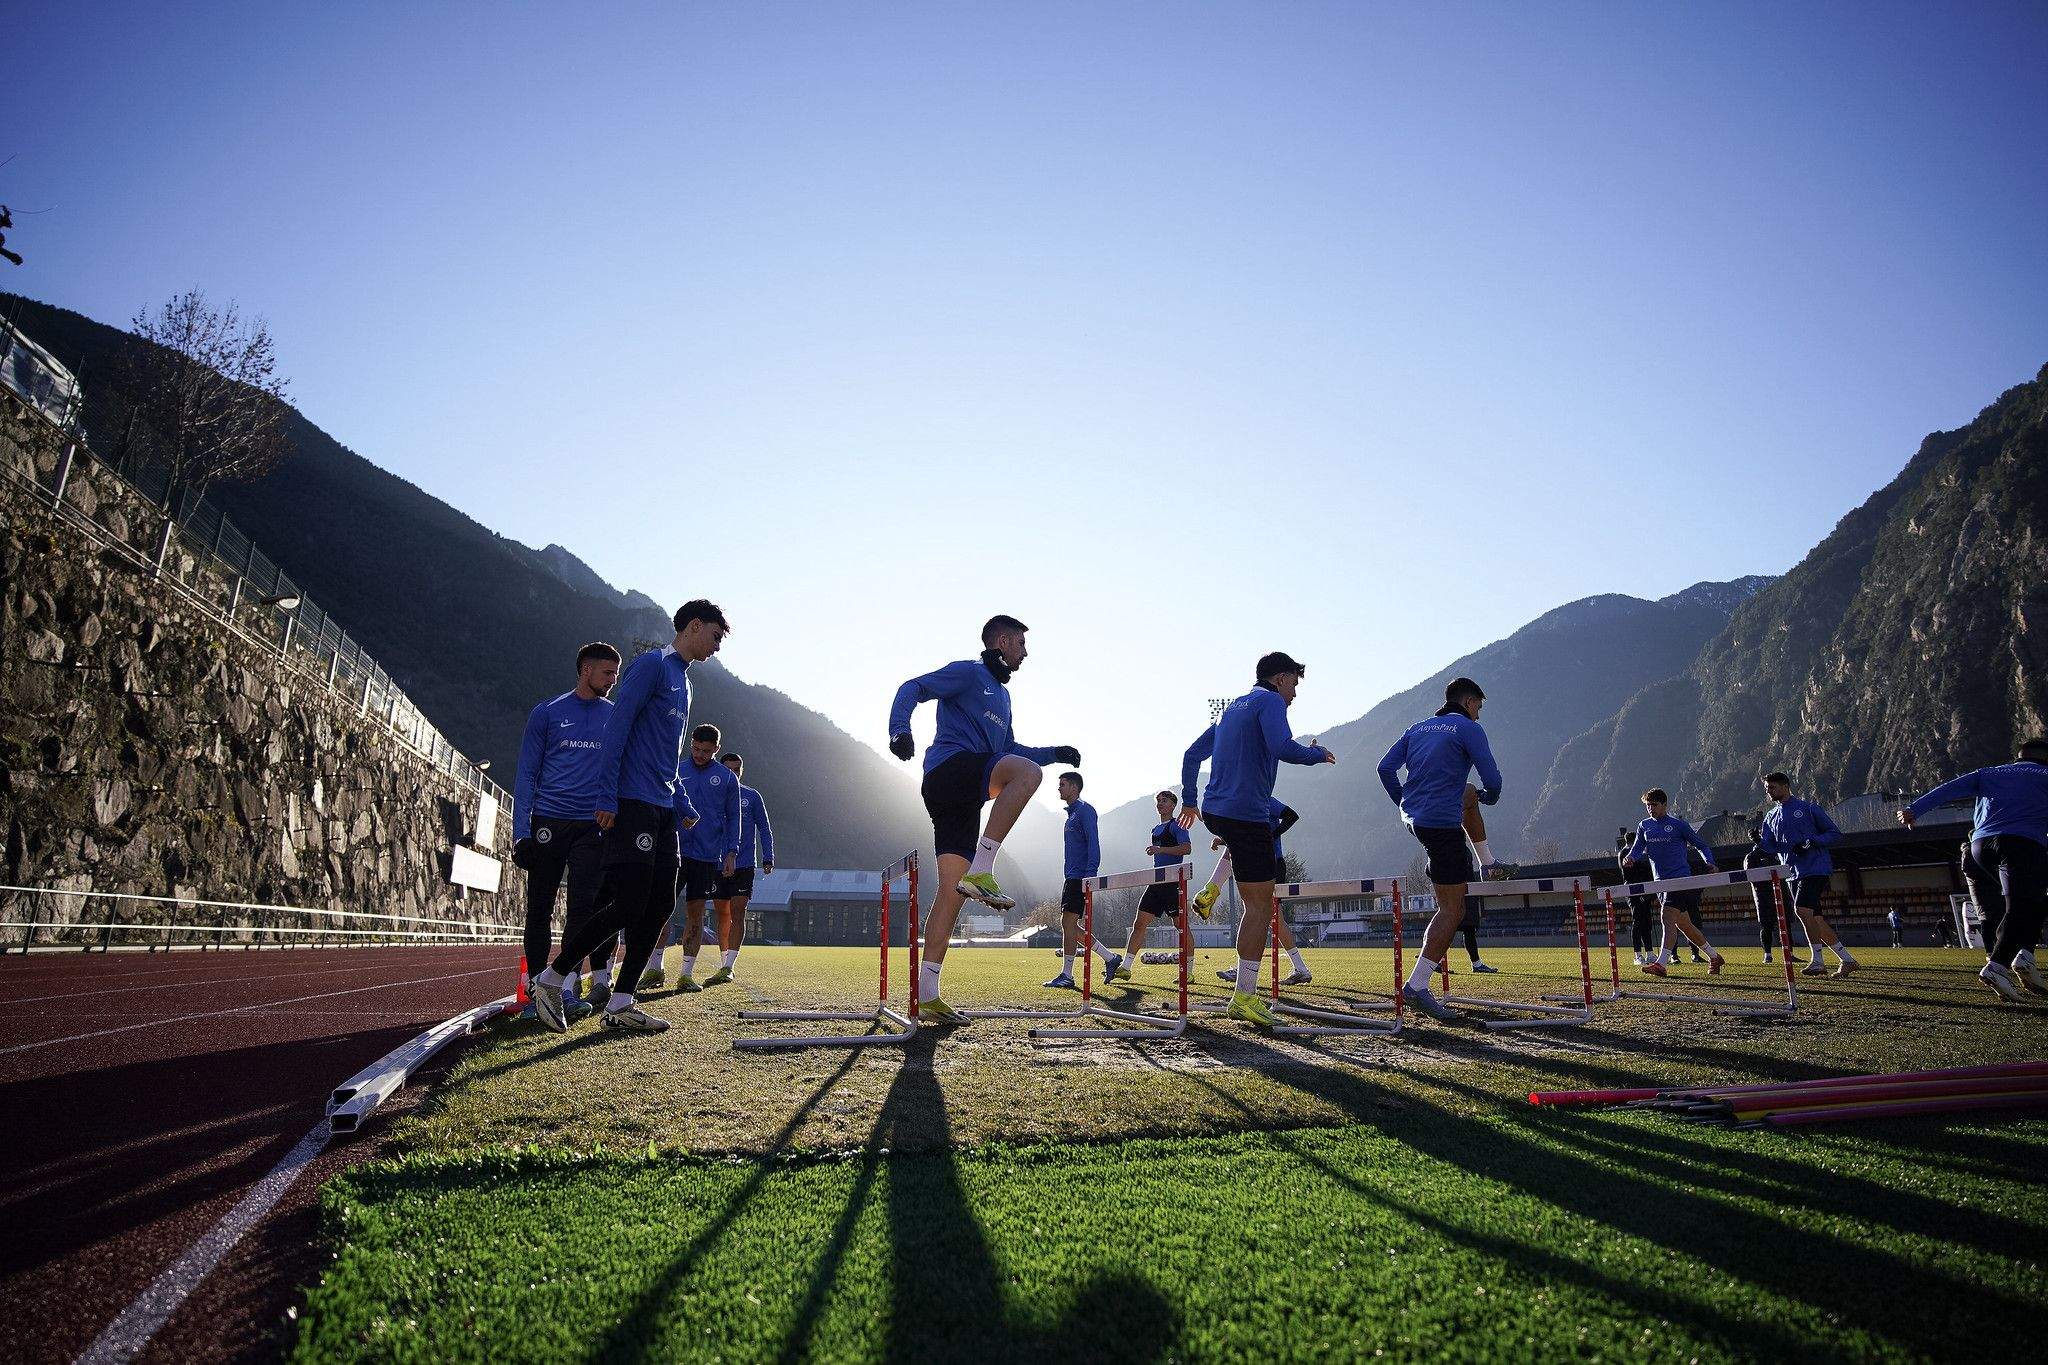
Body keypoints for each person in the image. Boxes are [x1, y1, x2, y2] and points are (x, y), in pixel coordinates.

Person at [529, 601, 729, 1034]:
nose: (717, 647)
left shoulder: (686, 684)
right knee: (630, 902)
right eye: (714, 636)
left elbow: (667, 755)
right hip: (631, 801)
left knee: (660, 904)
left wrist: (682, 805)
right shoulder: (652, 666)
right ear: (693, 626)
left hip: (662, 808)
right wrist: (607, 795)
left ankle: (622, 1001)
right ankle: (551, 978)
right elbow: (617, 726)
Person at [887, 616, 1081, 1023]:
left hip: (965, 793)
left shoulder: (1004, 699)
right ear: (1004, 641)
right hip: (949, 771)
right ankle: (984, 867)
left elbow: (1010, 748)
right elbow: (913, 687)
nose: (1026, 653)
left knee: (951, 893)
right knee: (1028, 775)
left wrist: (1056, 751)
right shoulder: (968, 673)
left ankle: (927, 994)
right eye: (1022, 645)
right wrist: (899, 730)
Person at [1179, 652, 1335, 1028]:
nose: (1295, 693)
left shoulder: (1232, 708)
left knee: (1255, 897)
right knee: (1261, 905)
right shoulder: (1269, 701)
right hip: (1245, 813)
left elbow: (1191, 754)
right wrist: (1317, 754)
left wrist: (1190, 800)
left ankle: (1213, 890)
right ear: (1280, 678)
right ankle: (1244, 996)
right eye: (1295, 684)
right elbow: (1283, 747)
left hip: (1217, 810)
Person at [1377, 677, 1501, 1019]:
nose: (1479, 715)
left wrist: (1402, 800)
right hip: (1441, 826)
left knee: (1467, 792)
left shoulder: (1418, 727)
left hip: (1416, 819)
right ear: (1470, 702)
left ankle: (1487, 861)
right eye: (1479, 708)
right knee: (1453, 910)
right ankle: (1417, 985)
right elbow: (1494, 781)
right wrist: (1492, 795)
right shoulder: (1467, 728)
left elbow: (1384, 768)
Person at [511, 642, 622, 1021]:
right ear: (586, 669)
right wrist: (520, 832)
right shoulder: (548, 713)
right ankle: (531, 994)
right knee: (539, 909)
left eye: (616, 673)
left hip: (594, 827)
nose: (613, 680)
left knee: (583, 911)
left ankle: (564, 989)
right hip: (548, 822)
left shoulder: (616, 716)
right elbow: (526, 774)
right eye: (607, 672)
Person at [1900, 740, 2048, 1001]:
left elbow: (1950, 789)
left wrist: (1915, 809)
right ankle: (1998, 966)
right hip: (2022, 844)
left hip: (1980, 847)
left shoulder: (1991, 772)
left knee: (2032, 901)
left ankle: (2025, 958)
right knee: (2021, 905)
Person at [646, 724, 743, 993]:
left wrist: (731, 852)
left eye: (707, 751)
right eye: (697, 749)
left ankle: (686, 974)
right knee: (660, 909)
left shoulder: (726, 778)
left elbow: (734, 818)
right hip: (671, 850)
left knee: (695, 913)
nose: (700, 755)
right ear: (691, 743)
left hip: (705, 855)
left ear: (716, 749)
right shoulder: (676, 769)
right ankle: (655, 968)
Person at [1757, 771, 1857, 979]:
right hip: (1792, 873)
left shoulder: (1808, 808)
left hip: (1814, 867)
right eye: (1767, 789)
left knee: (1801, 910)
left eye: (1772, 788)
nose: (1769, 792)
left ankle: (1818, 962)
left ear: (1785, 786)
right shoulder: (1770, 816)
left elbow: (1834, 833)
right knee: (1815, 919)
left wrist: (1811, 841)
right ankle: (1847, 960)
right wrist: (1759, 841)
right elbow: (1771, 847)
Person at [1210, 799, 1314, 986]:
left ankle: (1244, 970)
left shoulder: (1265, 800)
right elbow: (1247, 836)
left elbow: (1292, 816)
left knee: (1260, 914)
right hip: (1254, 863)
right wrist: (1224, 840)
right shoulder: (1242, 805)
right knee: (1270, 917)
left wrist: (1271, 836)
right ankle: (1300, 969)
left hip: (1271, 862)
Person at [1623, 788, 1726, 977]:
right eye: (1648, 805)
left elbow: (1701, 845)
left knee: (1667, 916)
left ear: (1664, 805)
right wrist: (1630, 858)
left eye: (1654, 805)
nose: (1650, 809)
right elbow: (1637, 849)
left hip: (1679, 880)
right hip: (1660, 883)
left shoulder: (1678, 825)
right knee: (1684, 925)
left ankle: (1661, 964)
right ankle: (1714, 956)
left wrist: (1710, 862)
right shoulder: (1644, 826)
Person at [1104, 791, 1191, 981]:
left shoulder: (1177, 825)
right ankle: (1126, 967)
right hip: (1156, 882)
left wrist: (1161, 849)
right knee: (1139, 923)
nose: (1160, 803)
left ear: (1173, 805)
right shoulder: (1154, 830)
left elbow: (1186, 848)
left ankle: (1189, 972)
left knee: (1180, 925)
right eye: (1158, 801)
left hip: (1173, 882)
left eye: (1164, 800)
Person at [708, 751, 773, 986]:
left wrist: (768, 857)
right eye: (728, 770)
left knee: (738, 911)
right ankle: (723, 959)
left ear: (741, 772)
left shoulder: (752, 797)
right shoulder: (712, 795)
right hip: (716, 862)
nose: (732, 774)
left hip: (744, 863)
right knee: (722, 913)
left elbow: (764, 829)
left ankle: (728, 966)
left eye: (736, 770)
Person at [1045, 772, 1112, 988]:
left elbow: (1094, 843)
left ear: (1074, 787)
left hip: (1081, 877)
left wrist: (1090, 874)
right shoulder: (1071, 814)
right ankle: (1111, 958)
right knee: (1070, 925)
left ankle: (1067, 975)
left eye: (1062, 785)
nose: (1059, 789)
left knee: (1068, 924)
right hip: (1071, 876)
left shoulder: (1085, 811)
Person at [1744, 816, 1806, 965]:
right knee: (1767, 925)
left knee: (1786, 924)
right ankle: (1767, 954)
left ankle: (1789, 953)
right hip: (1763, 896)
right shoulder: (1751, 857)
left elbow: (1788, 868)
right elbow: (1750, 877)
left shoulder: (1777, 853)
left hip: (1782, 893)